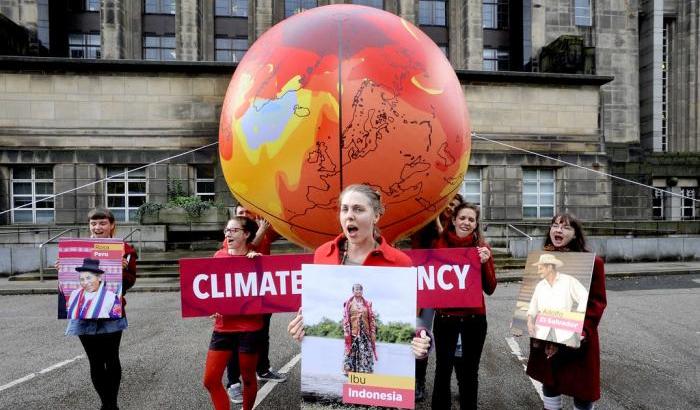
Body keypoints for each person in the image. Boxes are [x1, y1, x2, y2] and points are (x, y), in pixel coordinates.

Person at [287, 183, 432, 357]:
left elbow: (410, 319)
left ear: (376, 216)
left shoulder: (400, 262)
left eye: (358, 209)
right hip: (334, 364)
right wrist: (303, 324)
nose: (349, 216)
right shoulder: (323, 254)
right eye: (344, 209)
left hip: (382, 367)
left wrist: (421, 340)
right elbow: (318, 307)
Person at [526, 213, 607, 410]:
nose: (558, 230)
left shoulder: (592, 263)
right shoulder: (542, 261)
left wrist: (583, 329)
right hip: (547, 336)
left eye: (565, 227)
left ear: (575, 234)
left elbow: (597, 302)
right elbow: (531, 302)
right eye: (555, 225)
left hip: (577, 338)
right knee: (550, 382)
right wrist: (529, 325)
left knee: (582, 391)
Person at [63, 207, 137, 410]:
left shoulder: (125, 249)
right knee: (95, 361)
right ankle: (108, 405)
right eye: (93, 223)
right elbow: (68, 285)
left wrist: (121, 271)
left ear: (112, 225)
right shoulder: (77, 249)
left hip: (111, 311)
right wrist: (63, 270)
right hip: (83, 312)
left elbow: (130, 282)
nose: (98, 227)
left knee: (111, 358)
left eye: (102, 223)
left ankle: (111, 405)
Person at [431, 202, 496, 410]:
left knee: (469, 373)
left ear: (476, 225)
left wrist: (485, 263)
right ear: (454, 220)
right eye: (463, 218)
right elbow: (430, 281)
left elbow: (491, 287)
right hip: (445, 319)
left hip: (474, 321)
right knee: (442, 370)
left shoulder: (482, 249)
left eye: (471, 220)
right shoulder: (438, 245)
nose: (466, 223)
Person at [224, 206, 286, 404]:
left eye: (247, 213)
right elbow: (240, 252)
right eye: (240, 213)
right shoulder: (233, 236)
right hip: (238, 300)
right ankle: (233, 383)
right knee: (233, 342)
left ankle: (263, 369)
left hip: (261, 294)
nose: (243, 216)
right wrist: (259, 234)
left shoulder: (262, 231)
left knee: (261, 335)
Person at [203, 216, 263, 410]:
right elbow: (212, 289)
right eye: (227, 230)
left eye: (234, 230)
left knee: (247, 379)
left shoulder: (257, 259)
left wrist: (258, 265)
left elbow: (269, 292)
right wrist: (210, 306)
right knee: (210, 380)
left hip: (250, 327)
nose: (228, 234)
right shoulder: (218, 256)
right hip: (223, 326)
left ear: (246, 234)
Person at [412, 193, 463, 402]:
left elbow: (453, 253)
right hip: (428, 289)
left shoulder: (461, 230)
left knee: (458, 341)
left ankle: (462, 382)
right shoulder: (424, 228)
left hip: (450, 292)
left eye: (455, 205)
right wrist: (432, 220)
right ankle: (419, 382)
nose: (451, 208)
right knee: (421, 334)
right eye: (448, 203)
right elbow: (416, 251)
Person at [526, 253, 589, 346]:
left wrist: (579, 316)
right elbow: (533, 306)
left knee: (567, 358)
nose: (538, 272)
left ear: (550, 267)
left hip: (565, 335)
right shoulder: (540, 286)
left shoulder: (568, 281)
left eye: (540, 268)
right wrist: (529, 322)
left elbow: (584, 296)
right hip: (542, 333)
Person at [342, 283, 377, 374]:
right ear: (353, 291)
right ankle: (349, 372)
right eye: (356, 289)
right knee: (350, 352)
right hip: (352, 333)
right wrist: (346, 331)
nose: (358, 291)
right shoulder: (348, 303)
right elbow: (345, 318)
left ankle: (364, 372)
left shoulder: (368, 304)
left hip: (365, 333)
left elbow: (372, 319)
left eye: (360, 289)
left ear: (362, 291)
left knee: (365, 353)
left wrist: (373, 332)